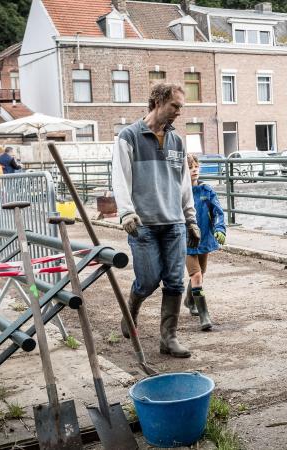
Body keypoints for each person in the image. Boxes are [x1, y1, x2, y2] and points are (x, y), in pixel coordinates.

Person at [112, 82, 201, 358]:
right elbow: (120, 178)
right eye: (175, 106)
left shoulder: (176, 141)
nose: (178, 112)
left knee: (174, 281)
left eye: (180, 108)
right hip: (143, 224)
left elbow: (183, 183)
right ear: (158, 102)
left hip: (174, 222)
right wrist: (126, 211)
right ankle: (131, 310)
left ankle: (169, 339)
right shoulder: (128, 137)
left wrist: (191, 219)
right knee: (148, 279)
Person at [183, 154, 226, 330]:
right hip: (187, 240)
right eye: (190, 167)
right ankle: (204, 316)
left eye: (196, 166)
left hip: (205, 239)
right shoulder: (180, 192)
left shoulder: (207, 191)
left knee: (200, 273)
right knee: (197, 275)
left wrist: (220, 229)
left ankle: (189, 300)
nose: (194, 170)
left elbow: (218, 212)